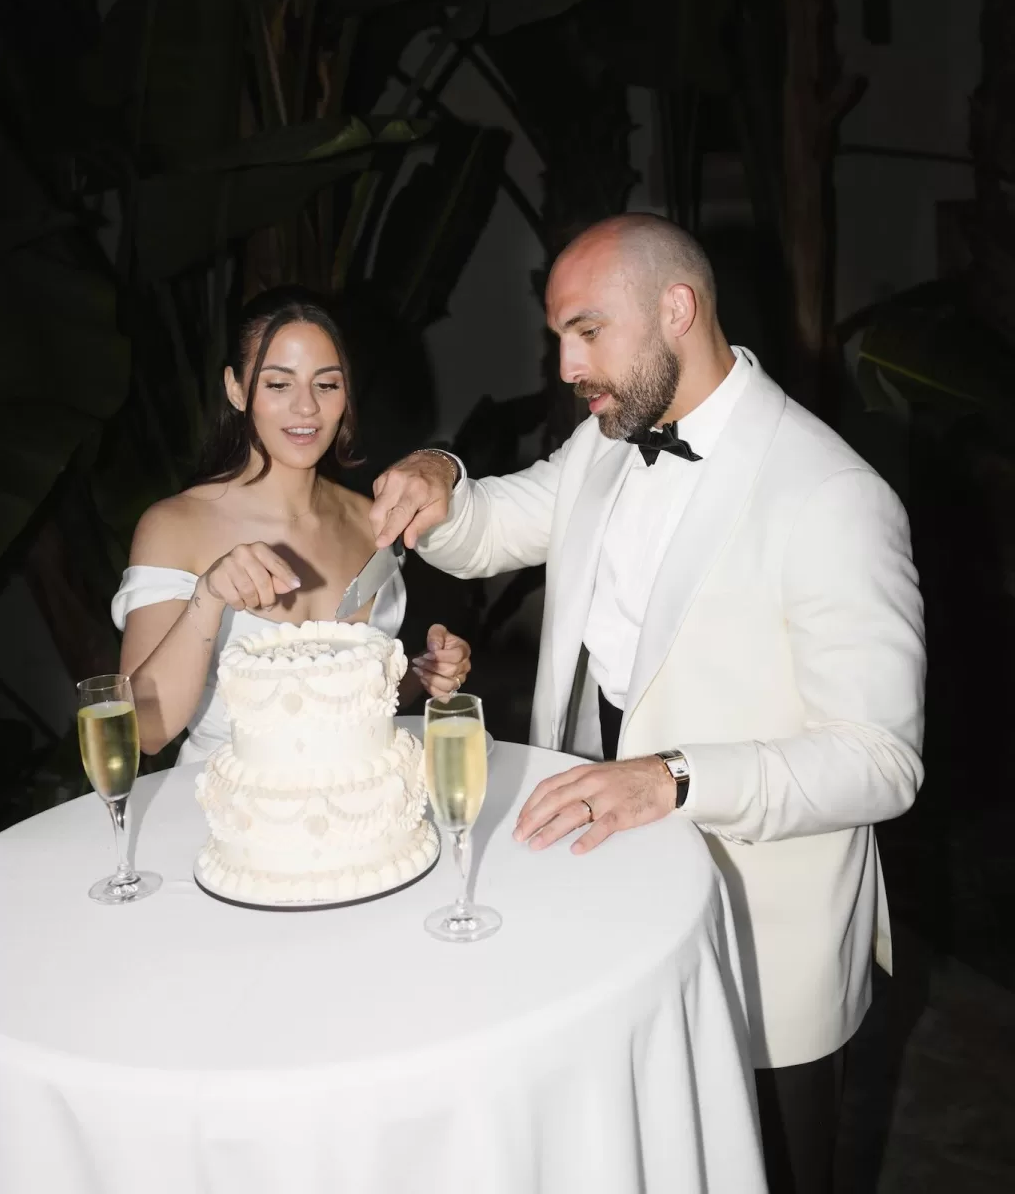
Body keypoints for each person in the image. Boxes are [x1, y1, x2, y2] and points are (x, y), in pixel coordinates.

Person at [368, 215, 925, 1194]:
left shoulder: (832, 494)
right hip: (593, 891)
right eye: (558, 339)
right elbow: (492, 527)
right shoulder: (606, 442)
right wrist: (441, 475)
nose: (568, 363)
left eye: (587, 331)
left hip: (757, 933)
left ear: (677, 309)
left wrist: (670, 779)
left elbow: (880, 758)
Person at [113, 286, 470, 762]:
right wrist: (209, 597)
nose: (307, 408)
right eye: (278, 384)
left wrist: (423, 674)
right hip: (220, 816)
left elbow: (351, 706)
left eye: (326, 384)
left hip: (355, 809)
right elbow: (145, 732)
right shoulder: (174, 526)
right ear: (236, 389)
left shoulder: (373, 521)